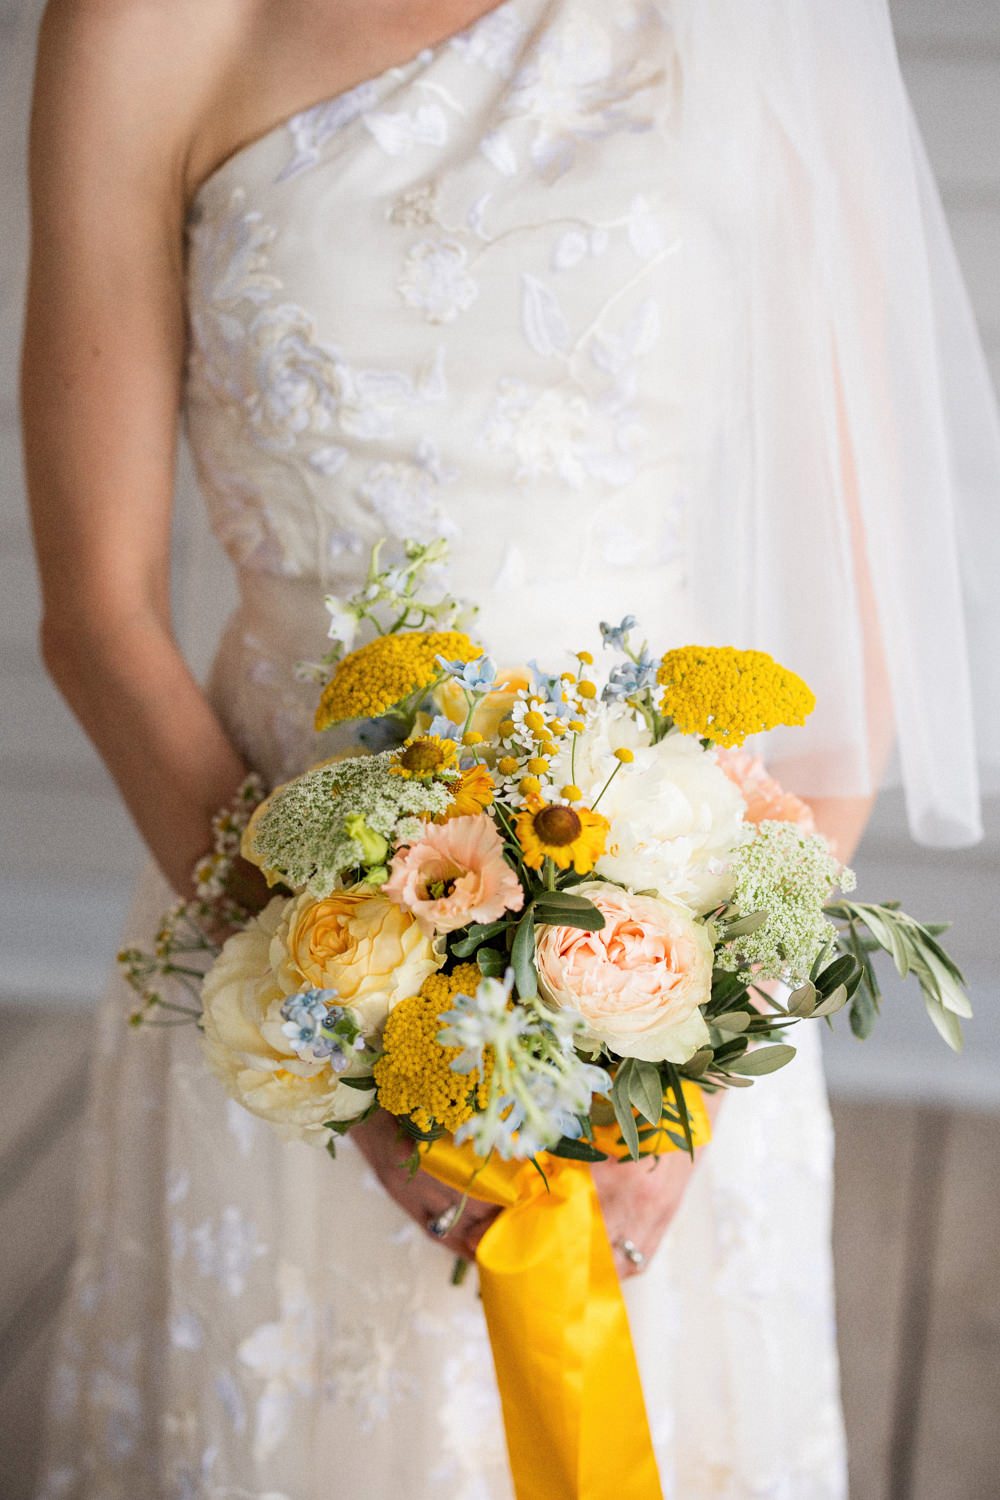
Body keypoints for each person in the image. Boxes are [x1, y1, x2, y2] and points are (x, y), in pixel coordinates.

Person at [21, 1, 998, 1496]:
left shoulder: (751, 25)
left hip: (671, 957)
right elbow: (96, 615)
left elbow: (855, 637)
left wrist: (697, 1062)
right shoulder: (145, 27)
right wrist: (325, 1012)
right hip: (276, 935)